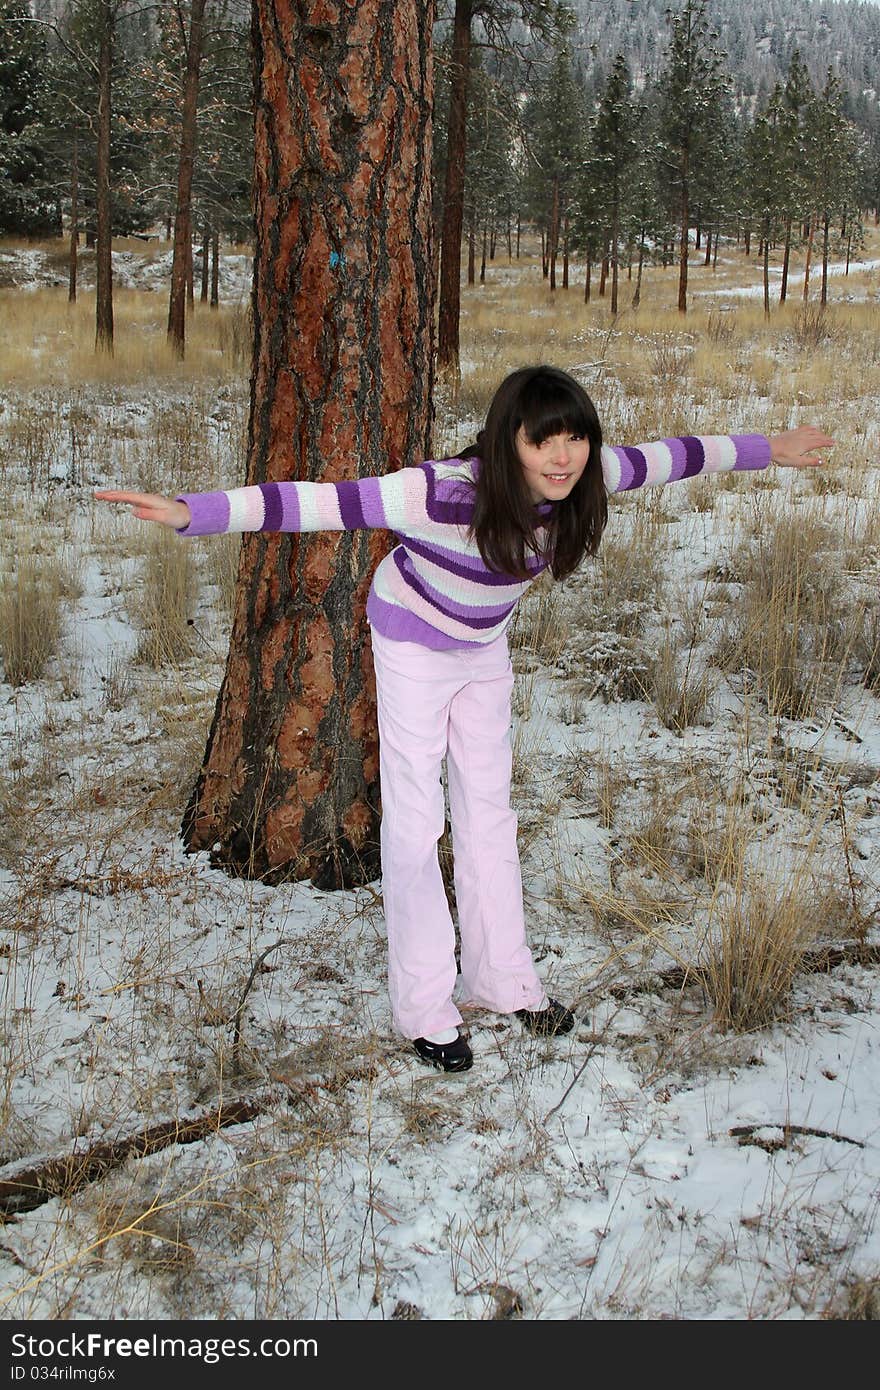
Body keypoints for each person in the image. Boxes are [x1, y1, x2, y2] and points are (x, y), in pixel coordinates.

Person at [95, 365, 834, 1074]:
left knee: (489, 811)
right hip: (413, 642)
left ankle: (502, 980)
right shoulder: (438, 492)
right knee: (417, 826)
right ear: (506, 440)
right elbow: (318, 502)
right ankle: (424, 1008)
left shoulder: (583, 480)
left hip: (483, 647)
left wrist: (773, 448)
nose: (562, 456)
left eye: (574, 437)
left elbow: (679, 456)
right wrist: (194, 511)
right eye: (542, 439)